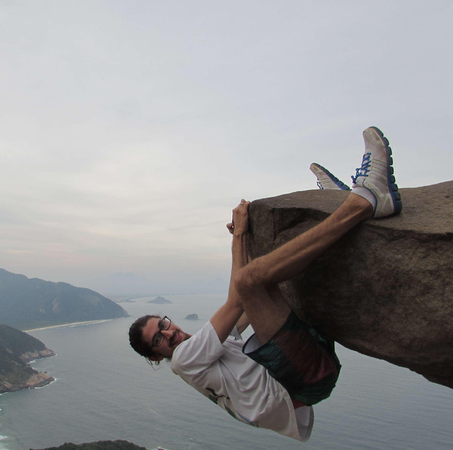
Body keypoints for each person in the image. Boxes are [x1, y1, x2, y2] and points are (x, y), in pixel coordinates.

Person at [128, 126, 403, 442]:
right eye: (158, 339)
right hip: (305, 378)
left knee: (271, 275)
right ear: (155, 357)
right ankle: (364, 202)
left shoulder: (203, 351)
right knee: (251, 278)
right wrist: (239, 235)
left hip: (303, 371)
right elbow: (237, 296)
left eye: (162, 323)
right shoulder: (185, 360)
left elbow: (245, 305)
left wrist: (242, 242)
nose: (168, 331)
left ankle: (337, 204)